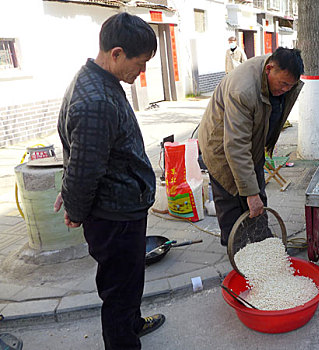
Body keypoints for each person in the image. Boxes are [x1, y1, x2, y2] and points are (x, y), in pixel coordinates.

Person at [54, 13, 165, 348]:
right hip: (115, 217)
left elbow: (84, 154)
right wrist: (74, 207)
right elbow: (85, 169)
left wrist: (70, 192)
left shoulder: (97, 78)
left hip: (122, 207)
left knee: (129, 283)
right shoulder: (96, 101)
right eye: (140, 63)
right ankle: (123, 340)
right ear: (116, 53)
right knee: (119, 290)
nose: (142, 72)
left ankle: (132, 323)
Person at [198, 47, 304, 246]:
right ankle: (237, 251)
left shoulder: (278, 73)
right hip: (221, 148)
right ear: (269, 69)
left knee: (256, 197)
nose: (285, 90)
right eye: (283, 84)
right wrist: (251, 194)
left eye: (291, 86)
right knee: (232, 200)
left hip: (249, 146)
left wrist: (254, 194)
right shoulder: (243, 89)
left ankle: (261, 244)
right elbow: (236, 146)